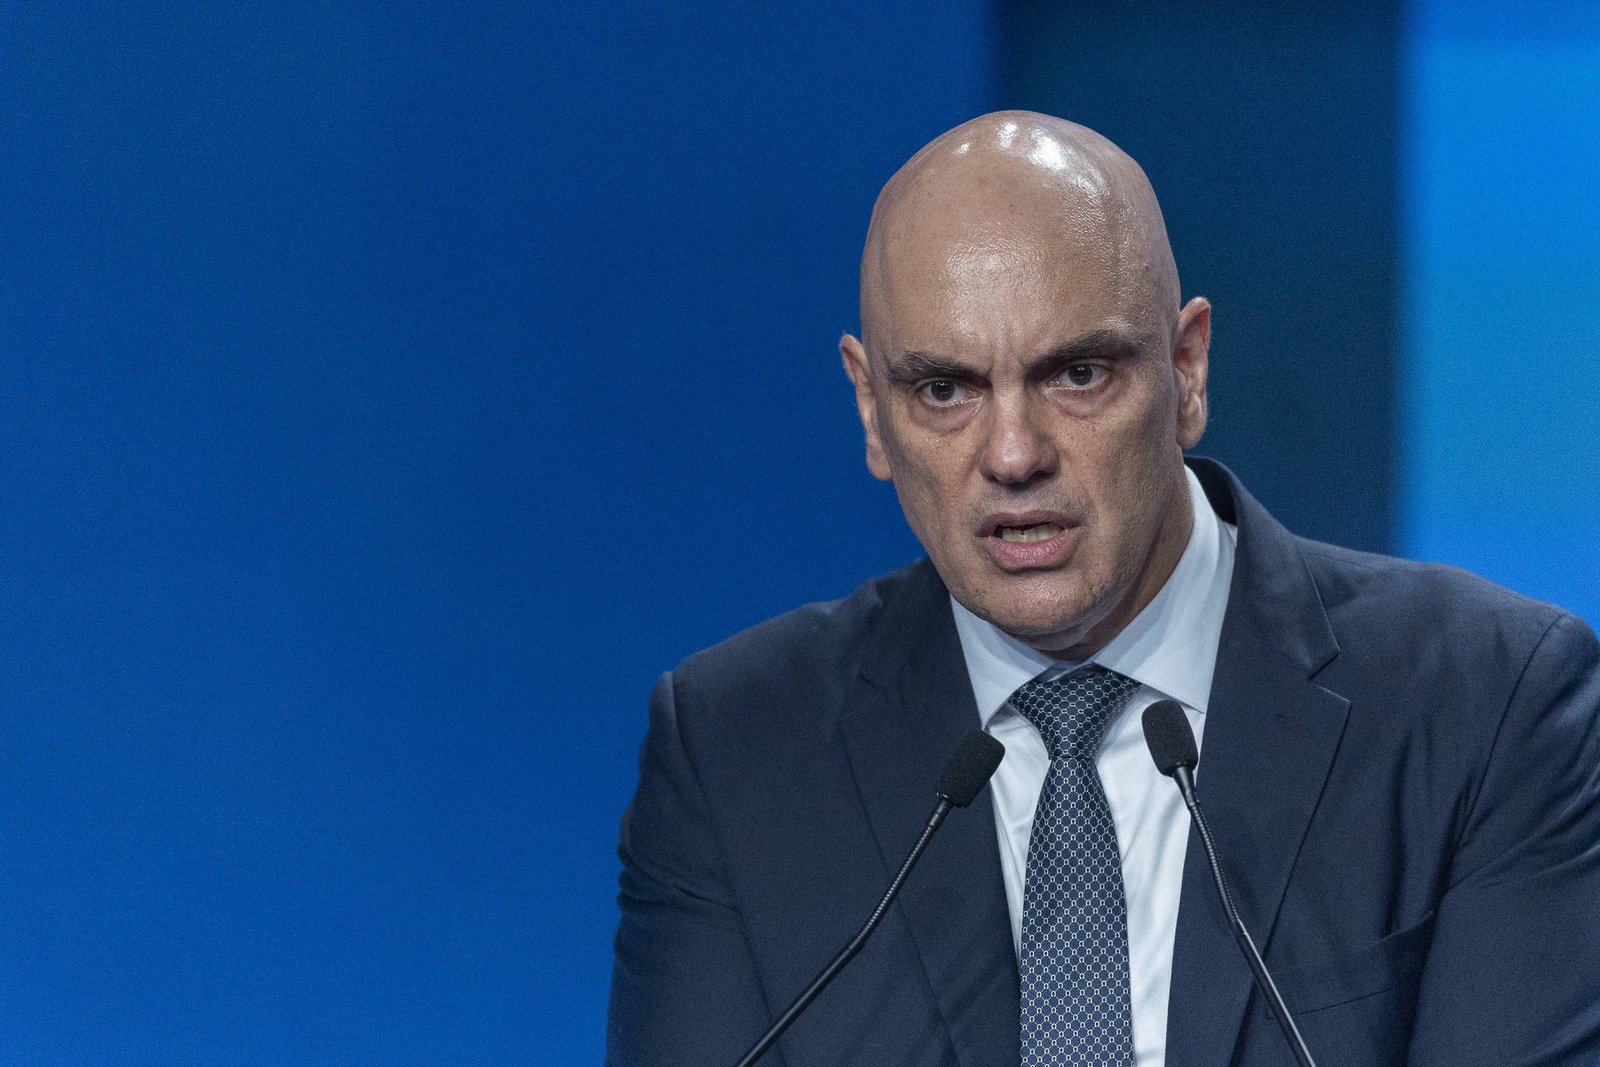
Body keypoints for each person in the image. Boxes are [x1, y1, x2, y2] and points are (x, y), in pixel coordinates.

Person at [605, 112, 1600, 1066]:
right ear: (871, 409)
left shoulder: (1489, 705)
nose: (1012, 453)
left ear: (1187, 368)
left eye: (1076, 374)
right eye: (943, 390)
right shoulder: (735, 751)